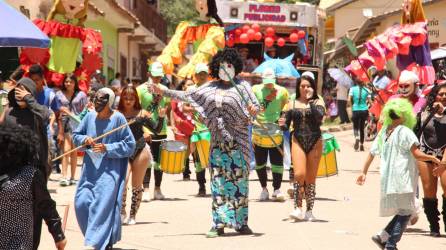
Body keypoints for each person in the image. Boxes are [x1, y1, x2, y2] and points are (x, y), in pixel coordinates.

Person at [149, 48, 260, 237]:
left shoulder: (243, 87)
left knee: (240, 184)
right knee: (218, 183)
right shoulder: (210, 87)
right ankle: (219, 224)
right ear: (217, 67)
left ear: (236, 66)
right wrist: (165, 91)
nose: (226, 69)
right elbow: (187, 96)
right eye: (223, 66)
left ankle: (241, 223)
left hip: (238, 143)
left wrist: (254, 108)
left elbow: (256, 105)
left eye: (230, 65)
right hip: (218, 143)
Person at [356, 98, 441, 250]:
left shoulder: (384, 130)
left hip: (388, 179)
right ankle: (391, 243)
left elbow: (372, 152)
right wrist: (432, 157)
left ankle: (382, 236)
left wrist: (364, 172)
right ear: (405, 114)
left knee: (404, 211)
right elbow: (417, 154)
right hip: (403, 179)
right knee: (407, 212)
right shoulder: (406, 132)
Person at [72, 87, 136, 249]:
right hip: (90, 171)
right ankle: (98, 238)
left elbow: (130, 145)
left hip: (110, 172)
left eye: (102, 100)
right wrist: (84, 139)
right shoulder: (89, 117)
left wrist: (107, 148)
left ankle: (96, 243)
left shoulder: (118, 119)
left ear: (110, 102)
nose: (97, 102)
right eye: (96, 99)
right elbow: (76, 136)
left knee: (101, 206)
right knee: (81, 203)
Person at [0, 77, 52, 249]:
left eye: (25, 90)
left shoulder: (37, 113)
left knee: (36, 215)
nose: (20, 93)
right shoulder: (8, 112)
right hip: (11, 173)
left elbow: (47, 115)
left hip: (34, 173)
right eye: (18, 89)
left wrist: (30, 100)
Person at [0, 124, 66, 250]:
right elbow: (46, 205)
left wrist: (58, 234)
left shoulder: (30, 175)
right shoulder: (31, 175)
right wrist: (58, 234)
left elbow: (46, 205)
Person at [280, 73, 325, 221]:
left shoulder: (319, 101)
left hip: (315, 141)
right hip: (298, 140)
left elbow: (319, 118)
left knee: (311, 179)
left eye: (308, 86)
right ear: (298, 87)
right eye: (302, 86)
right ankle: (297, 208)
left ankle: (309, 211)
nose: (305, 88)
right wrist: (282, 123)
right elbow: (285, 123)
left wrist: (311, 101)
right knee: (299, 174)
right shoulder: (291, 102)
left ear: (312, 87)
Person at [117, 86, 164, 225]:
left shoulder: (142, 113)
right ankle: (122, 211)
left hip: (140, 150)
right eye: (125, 98)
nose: (128, 101)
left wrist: (161, 117)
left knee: (137, 185)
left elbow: (156, 129)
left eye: (131, 98)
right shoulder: (117, 114)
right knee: (122, 183)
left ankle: (133, 215)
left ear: (136, 99)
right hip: (124, 151)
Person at [252, 68, 289, 201]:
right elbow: (248, 105)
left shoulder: (282, 91)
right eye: (266, 81)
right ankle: (264, 189)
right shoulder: (255, 89)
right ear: (262, 79)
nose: (269, 84)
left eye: (271, 81)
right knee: (260, 163)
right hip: (259, 130)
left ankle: (277, 189)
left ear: (275, 79)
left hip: (276, 131)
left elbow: (287, 105)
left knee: (277, 162)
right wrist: (251, 111)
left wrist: (284, 116)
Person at [137, 62, 170, 201]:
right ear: (149, 74)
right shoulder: (140, 89)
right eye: (154, 76)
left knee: (159, 162)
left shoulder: (164, 89)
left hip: (161, 129)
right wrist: (141, 129)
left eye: (159, 76)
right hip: (146, 130)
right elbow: (137, 109)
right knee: (147, 161)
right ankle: (145, 189)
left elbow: (166, 106)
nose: (157, 79)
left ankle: (157, 189)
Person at [417, 83, 446, 237]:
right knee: (429, 191)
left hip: (444, 157)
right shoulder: (423, 113)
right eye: (441, 94)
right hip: (426, 155)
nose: (444, 97)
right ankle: (433, 226)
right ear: (434, 96)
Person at [56, 74, 87, 186]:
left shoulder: (81, 95)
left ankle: (73, 177)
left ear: (75, 83)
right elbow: (56, 110)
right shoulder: (59, 94)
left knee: (74, 151)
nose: (68, 84)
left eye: (71, 82)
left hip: (77, 125)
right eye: (66, 81)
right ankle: (64, 176)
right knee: (66, 150)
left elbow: (85, 111)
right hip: (64, 124)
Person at [349, 80, 371, 151]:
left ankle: (357, 137)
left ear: (356, 82)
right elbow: (370, 102)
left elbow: (349, 100)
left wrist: (351, 106)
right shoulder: (367, 90)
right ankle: (361, 145)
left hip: (355, 110)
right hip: (364, 110)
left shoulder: (352, 89)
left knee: (355, 126)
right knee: (362, 127)